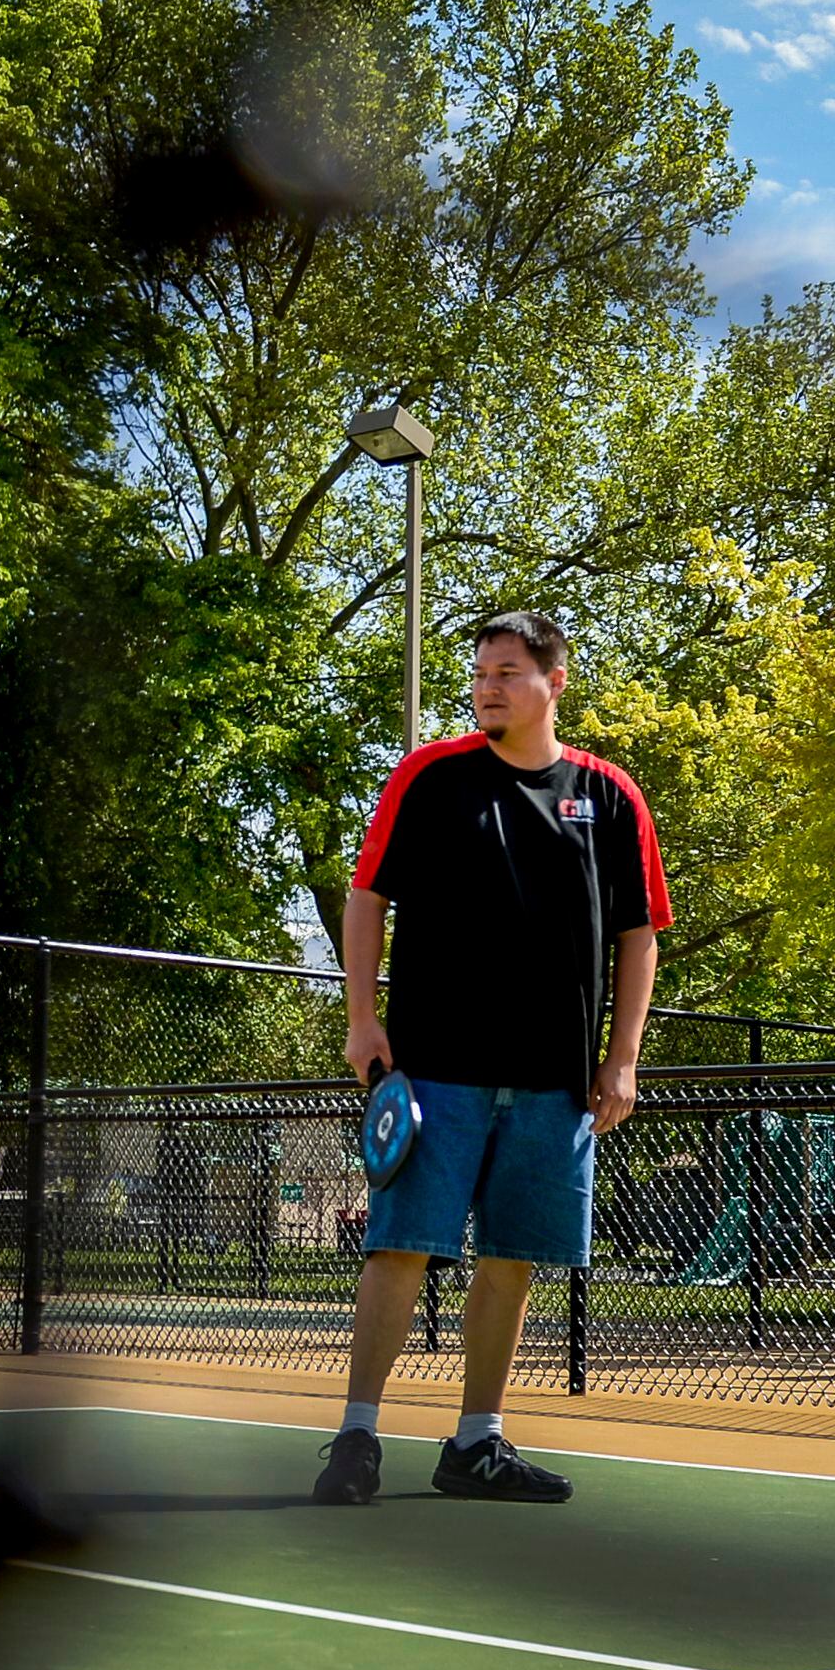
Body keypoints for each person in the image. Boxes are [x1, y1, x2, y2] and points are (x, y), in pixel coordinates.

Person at [317, 611, 670, 1506]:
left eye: (507, 672)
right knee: (400, 1248)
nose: (487, 687)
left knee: (511, 1259)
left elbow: (639, 935)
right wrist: (363, 1021)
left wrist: (621, 1059)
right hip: (435, 1069)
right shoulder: (430, 777)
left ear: (555, 681)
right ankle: (355, 1438)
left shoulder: (612, 795)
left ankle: (476, 1443)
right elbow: (366, 897)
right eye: (480, 672)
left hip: (556, 1081)